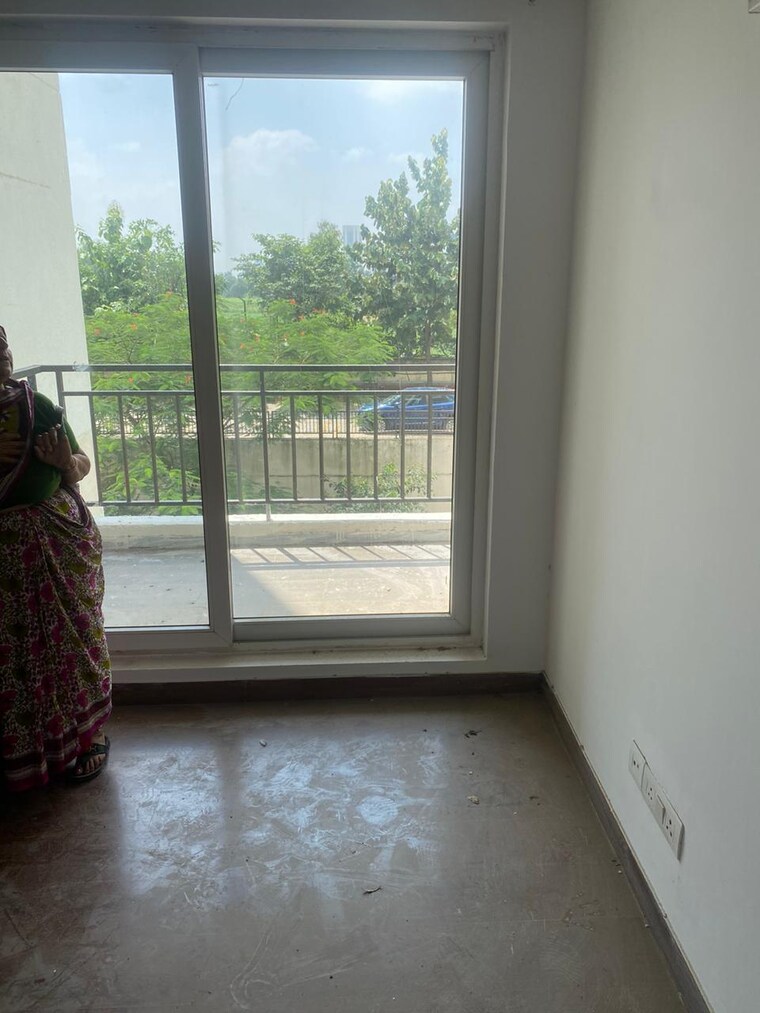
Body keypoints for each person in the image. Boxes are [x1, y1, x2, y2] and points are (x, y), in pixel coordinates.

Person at [0, 324, 111, 790]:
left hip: (56, 543)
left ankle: (85, 738)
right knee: (13, 662)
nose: (3, 354)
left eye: (3, 344)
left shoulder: (35, 405)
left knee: (72, 642)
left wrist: (65, 463)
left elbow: (80, 464)